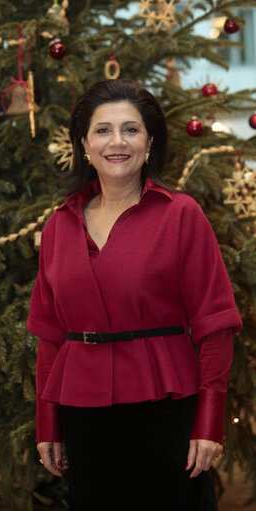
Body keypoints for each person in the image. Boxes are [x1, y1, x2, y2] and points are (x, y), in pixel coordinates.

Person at [26, 79, 242, 511]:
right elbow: (50, 337)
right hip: (84, 415)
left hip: (166, 409)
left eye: (131, 129)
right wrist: (47, 425)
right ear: (84, 143)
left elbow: (215, 328)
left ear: (149, 141)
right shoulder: (58, 226)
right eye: (102, 130)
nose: (116, 142)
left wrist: (209, 423)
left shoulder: (182, 215)